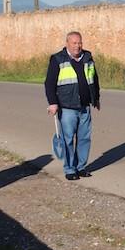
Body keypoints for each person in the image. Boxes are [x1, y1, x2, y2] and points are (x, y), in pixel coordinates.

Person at [44, 31, 100, 180]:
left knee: (84, 139)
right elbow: (49, 84)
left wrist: (96, 98)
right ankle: (70, 170)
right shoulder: (57, 59)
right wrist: (53, 103)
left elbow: (94, 78)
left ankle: (81, 167)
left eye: (79, 42)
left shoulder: (87, 57)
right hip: (67, 107)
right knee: (67, 140)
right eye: (74, 43)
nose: (77, 46)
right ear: (67, 43)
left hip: (84, 107)